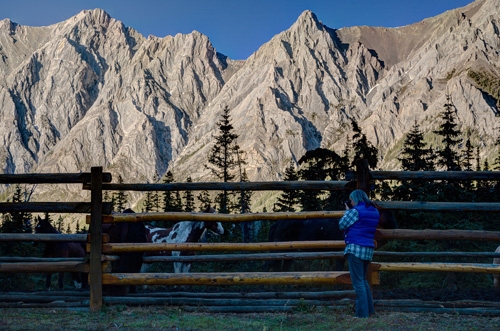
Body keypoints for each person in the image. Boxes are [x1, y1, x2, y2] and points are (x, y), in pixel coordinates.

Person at [338, 189, 380, 318]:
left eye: (351, 200)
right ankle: (370, 311)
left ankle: (362, 314)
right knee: (363, 280)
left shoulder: (355, 211)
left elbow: (342, 224)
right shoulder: (374, 211)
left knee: (358, 282)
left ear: (355, 199)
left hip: (355, 248)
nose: (350, 202)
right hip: (368, 249)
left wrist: (348, 211)